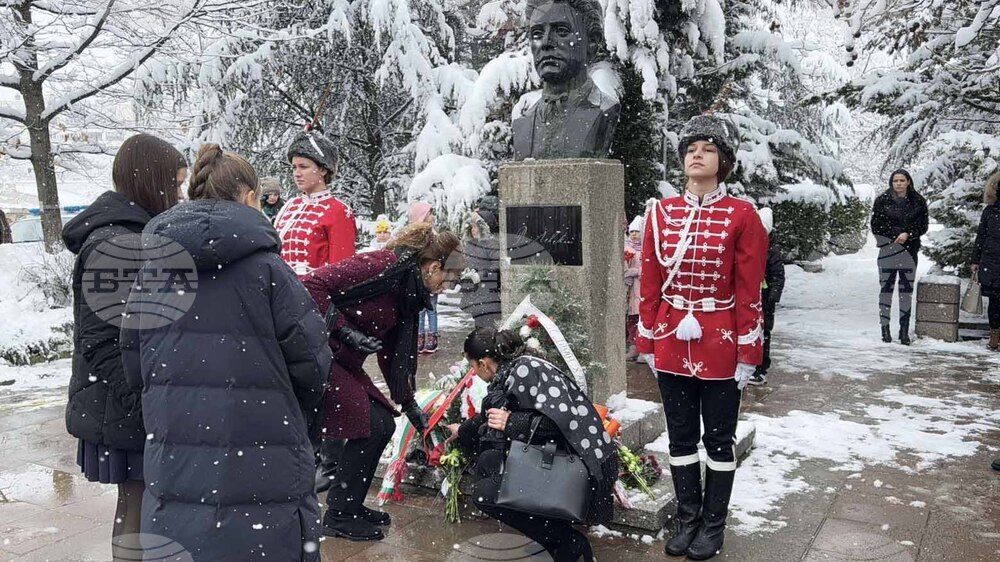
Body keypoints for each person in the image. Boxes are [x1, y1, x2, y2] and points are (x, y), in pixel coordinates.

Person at [120, 144, 332, 561]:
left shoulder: (153, 273)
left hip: (176, 449)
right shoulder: (270, 271)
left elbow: (133, 362)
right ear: (251, 196)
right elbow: (312, 363)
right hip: (263, 450)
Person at [636, 114, 767, 560]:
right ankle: (687, 518)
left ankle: (713, 526)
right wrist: (648, 342)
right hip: (673, 337)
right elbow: (650, 285)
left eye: (707, 149)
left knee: (718, 439)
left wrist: (750, 350)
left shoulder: (743, 215)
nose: (697, 154)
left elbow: (750, 290)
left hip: (721, 341)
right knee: (679, 437)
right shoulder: (661, 212)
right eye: (691, 148)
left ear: (723, 161)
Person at [60, 133, 186, 560]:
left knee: (140, 504)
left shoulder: (130, 233)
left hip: (126, 399)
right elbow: (99, 339)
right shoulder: (116, 243)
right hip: (125, 403)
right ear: (153, 181)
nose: (180, 194)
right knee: (137, 505)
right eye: (176, 183)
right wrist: (144, 400)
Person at [302, 222, 461, 541]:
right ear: (432, 267)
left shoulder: (410, 293)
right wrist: (343, 328)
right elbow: (310, 284)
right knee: (372, 424)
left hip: (343, 361)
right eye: (448, 279)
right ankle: (340, 515)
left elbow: (395, 356)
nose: (447, 287)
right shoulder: (383, 266)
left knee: (384, 423)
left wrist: (410, 405)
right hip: (316, 355)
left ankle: (347, 505)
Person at [445, 327, 618, 562]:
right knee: (487, 462)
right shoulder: (511, 370)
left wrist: (512, 422)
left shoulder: (524, 372)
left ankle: (567, 541)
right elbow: (489, 413)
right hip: (562, 456)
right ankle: (550, 534)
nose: (474, 373)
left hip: (582, 466)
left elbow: (560, 422)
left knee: (486, 494)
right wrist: (462, 431)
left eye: (473, 366)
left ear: (484, 364)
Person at [273, 128, 357, 275]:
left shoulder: (339, 211)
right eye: (294, 167)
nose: (297, 173)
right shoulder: (289, 206)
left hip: (315, 294)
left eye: (303, 167)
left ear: (323, 169)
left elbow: (342, 271)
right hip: (283, 292)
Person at [870, 169, 929, 345]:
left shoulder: (918, 201)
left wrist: (908, 234)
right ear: (891, 182)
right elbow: (876, 225)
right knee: (886, 291)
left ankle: (904, 331)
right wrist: (895, 234)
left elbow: (923, 225)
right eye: (895, 180)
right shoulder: (882, 201)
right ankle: (885, 329)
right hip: (888, 250)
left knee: (905, 292)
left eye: (902, 180)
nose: (898, 183)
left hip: (909, 252)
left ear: (908, 182)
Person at [749, 207, 784, 386]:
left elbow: (778, 277)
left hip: (764, 300)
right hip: (749, 299)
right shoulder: (749, 247)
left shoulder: (772, 253)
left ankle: (760, 368)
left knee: (763, 334)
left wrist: (772, 297)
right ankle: (749, 365)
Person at [970, 171, 1000, 351]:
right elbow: (981, 236)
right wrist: (975, 260)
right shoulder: (990, 211)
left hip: (992, 260)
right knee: (996, 301)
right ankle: (995, 336)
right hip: (992, 260)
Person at [458, 208, 502, 328]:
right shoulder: (472, 244)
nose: (473, 230)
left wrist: (480, 275)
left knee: (488, 322)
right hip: (475, 292)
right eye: (471, 227)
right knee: (479, 321)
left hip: (488, 291)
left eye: (476, 227)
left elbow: (497, 265)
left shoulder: (491, 243)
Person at [407, 201, 440, 353]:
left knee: (431, 309)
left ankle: (432, 336)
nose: (432, 217)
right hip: (418, 278)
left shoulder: (434, 236)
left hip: (431, 278)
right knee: (420, 310)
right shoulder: (414, 237)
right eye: (429, 214)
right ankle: (419, 336)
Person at [624, 215, 644, 360]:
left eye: (637, 231)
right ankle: (634, 347)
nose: (634, 235)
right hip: (630, 290)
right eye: (632, 232)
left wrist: (636, 272)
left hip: (643, 289)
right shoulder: (626, 248)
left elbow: (650, 267)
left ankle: (644, 348)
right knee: (632, 319)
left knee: (643, 319)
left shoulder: (646, 248)